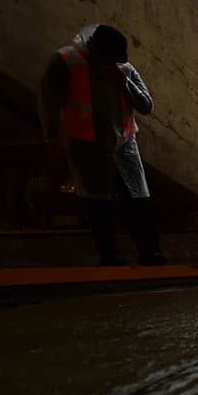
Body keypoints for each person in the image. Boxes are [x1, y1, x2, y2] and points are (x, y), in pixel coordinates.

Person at [39, 24, 166, 266]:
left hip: (125, 142)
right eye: (108, 60)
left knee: (137, 197)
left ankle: (150, 253)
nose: (111, 65)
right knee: (97, 201)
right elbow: (48, 103)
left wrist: (124, 83)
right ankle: (110, 257)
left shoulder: (123, 68)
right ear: (95, 49)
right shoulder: (65, 61)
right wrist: (52, 138)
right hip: (85, 142)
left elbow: (147, 106)